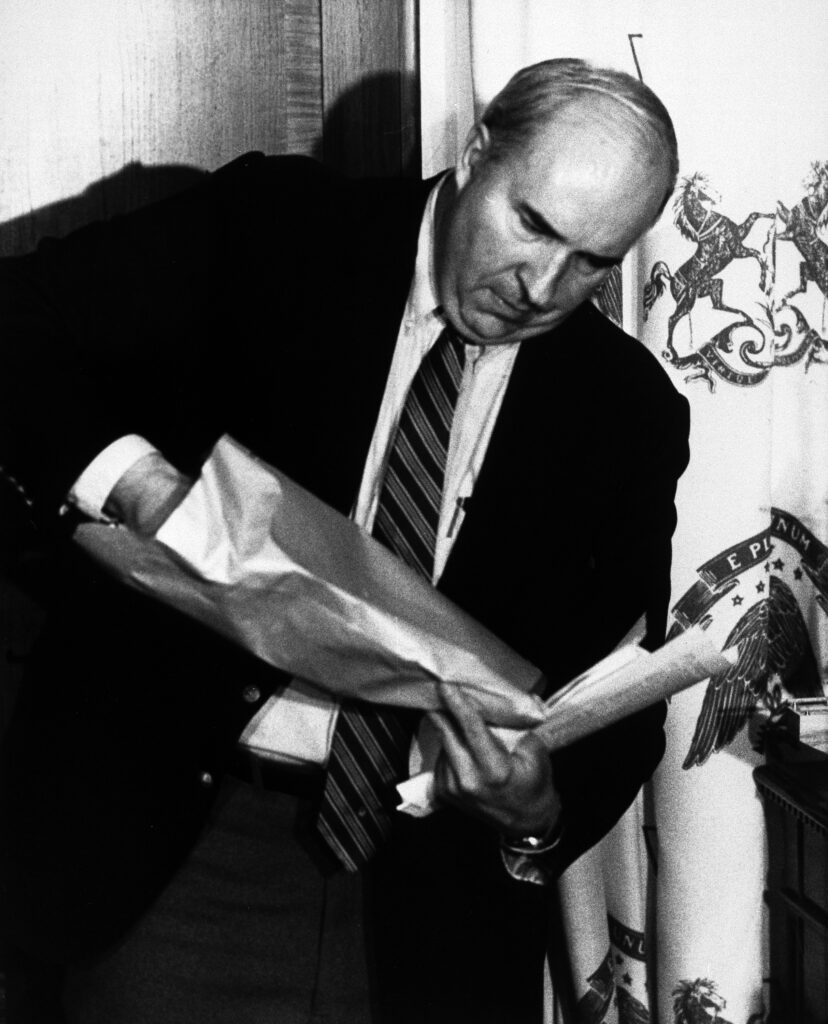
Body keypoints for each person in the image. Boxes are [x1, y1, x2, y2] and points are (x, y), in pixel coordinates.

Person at [0, 58, 688, 1023]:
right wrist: (147, 488)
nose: (542, 287)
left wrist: (537, 809)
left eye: (592, 262)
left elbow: (620, 697)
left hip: (438, 911)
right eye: (532, 225)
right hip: (191, 852)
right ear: (476, 150)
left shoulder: (631, 412)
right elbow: (15, 318)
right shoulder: (275, 229)